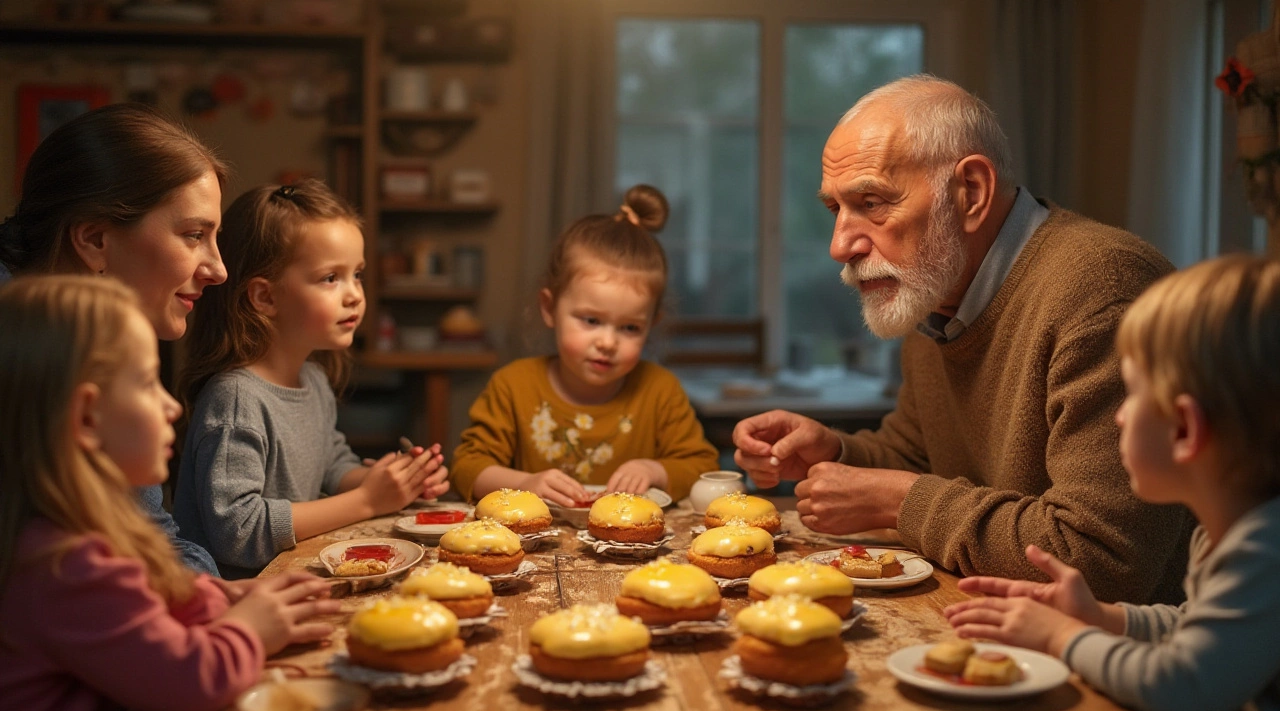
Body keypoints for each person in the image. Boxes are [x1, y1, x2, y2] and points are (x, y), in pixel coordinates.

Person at [732, 74, 1194, 604]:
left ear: (971, 192)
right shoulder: (937, 285)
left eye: (873, 203)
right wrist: (836, 451)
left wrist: (898, 501)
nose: (840, 246)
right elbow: (922, 459)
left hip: (1133, 665)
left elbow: (1102, 560)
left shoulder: (1104, 290)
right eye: (835, 209)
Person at [944, 255, 1280, 711]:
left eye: (1133, 392)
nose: (1119, 414)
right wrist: (1103, 618)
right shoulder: (1231, 533)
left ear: (1184, 430)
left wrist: (1060, 637)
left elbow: (1183, 685)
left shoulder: (1263, 550)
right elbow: (1195, 629)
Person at [0, 275, 339, 711]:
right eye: (147, 384)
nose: (173, 407)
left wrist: (226, 599)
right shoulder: (67, 566)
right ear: (85, 417)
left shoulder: (73, 534)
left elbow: (150, 600)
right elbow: (191, 681)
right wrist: (251, 629)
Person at [174, 179, 449, 578]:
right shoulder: (236, 398)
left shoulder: (313, 380)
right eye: (330, 278)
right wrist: (368, 502)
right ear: (265, 298)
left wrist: (390, 480)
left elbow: (331, 465)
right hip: (239, 604)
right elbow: (237, 532)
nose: (354, 294)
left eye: (356, 274)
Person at [0, 102, 227, 576]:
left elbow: (152, 536)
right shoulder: (26, 354)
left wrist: (217, 596)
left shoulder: (100, 333)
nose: (218, 270)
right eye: (193, 235)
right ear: (95, 240)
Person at [450, 184, 719, 506]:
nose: (607, 342)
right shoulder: (513, 387)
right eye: (591, 321)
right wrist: (525, 483)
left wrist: (654, 469)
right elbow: (466, 468)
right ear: (549, 309)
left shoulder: (661, 392)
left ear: (651, 326)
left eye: (630, 327)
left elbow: (704, 468)